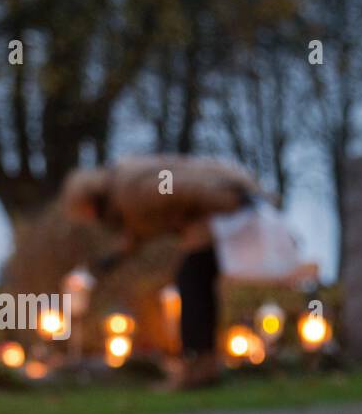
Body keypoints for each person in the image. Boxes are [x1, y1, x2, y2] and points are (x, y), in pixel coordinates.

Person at [59, 155, 262, 387]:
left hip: (210, 216)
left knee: (192, 286)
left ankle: (198, 367)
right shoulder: (123, 196)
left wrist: (229, 200)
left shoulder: (130, 191)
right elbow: (141, 228)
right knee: (195, 286)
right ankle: (202, 366)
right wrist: (114, 259)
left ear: (89, 201)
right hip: (204, 220)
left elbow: (177, 188)